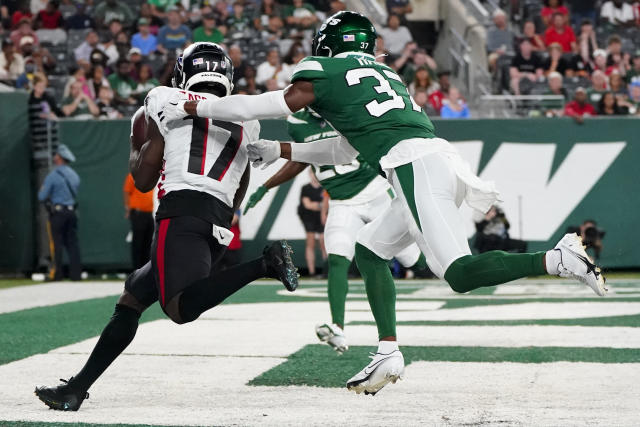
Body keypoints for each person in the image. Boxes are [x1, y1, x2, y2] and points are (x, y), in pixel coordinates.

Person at [163, 12, 607, 396]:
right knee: (370, 249)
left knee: (459, 274)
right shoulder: (385, 76)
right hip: (428, 161)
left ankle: (556, 259)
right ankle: (387, 352)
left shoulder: (326, 69)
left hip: (414, 166)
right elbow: (345, 150)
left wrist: (194, 108)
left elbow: (270, 104)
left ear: (329, 46)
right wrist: (283, 151)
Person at [34, 42, 298, 411]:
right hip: (218, 220)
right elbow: (239, 188)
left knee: (180, 309)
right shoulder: (247, 120)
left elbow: (142, 179)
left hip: (181, 213)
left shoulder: (163, 97)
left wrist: (146, 138)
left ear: (183, 71)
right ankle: (76, 388)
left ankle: (264, 264)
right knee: (132, 298)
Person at [243, 106, 426, 353]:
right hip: (340, 201)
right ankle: (337, 327)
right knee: (338, 257)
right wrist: (266, 186)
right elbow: (302, 157)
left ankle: (444, 266)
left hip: (375, 194)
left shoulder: (346, 108)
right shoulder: (297, 121)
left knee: (413, 260)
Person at [37, 144, 82, 282]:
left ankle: (56, 274)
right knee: (72, 244)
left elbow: (42, 196)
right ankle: (76, 274)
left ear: (60, 158)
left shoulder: (53, 175)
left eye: (56, 155)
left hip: (58, 213)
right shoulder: (74, 175)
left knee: (56, 244)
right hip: (71, 212)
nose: (54, 157)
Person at [297, 168, 326, 276]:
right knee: (311, 242)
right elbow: (307, 205)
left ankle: (326, 270)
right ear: (310, 174)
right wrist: (320, 205)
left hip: (322, 217)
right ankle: (311, 271)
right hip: (308, 218)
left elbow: (327, 204)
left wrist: (317, 206)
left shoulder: (324, 188)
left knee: (324, 242)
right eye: (312, 173)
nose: (314, 175)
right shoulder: (306, 188)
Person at [123, 172, 154, 269]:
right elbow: (126, 192)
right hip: (138, 213)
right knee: (138, 243)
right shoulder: (133, 175)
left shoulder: (151, 176)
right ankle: (136, 270)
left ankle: (145, 271)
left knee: (148, 243)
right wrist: (128, 208)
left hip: (149, 213)